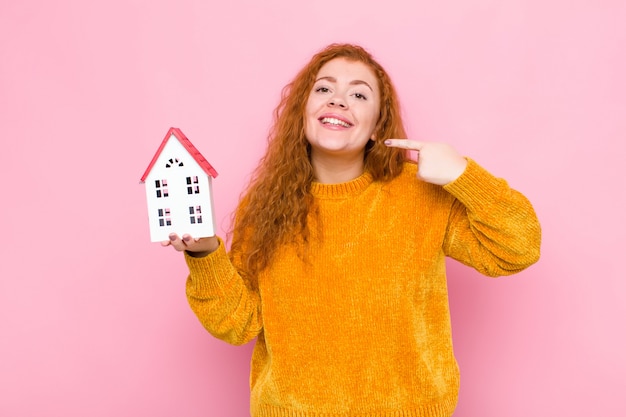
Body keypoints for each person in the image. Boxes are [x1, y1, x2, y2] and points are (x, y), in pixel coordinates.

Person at [163, 43, 541, 417]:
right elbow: (237, 323)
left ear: (378, 126)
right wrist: (204, 252)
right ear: (302, 113)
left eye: (358, 94)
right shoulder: (266, 206)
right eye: (324, 89)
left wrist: (463, 174)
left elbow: (518, 248)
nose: (338, 100)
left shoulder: (420, 193)